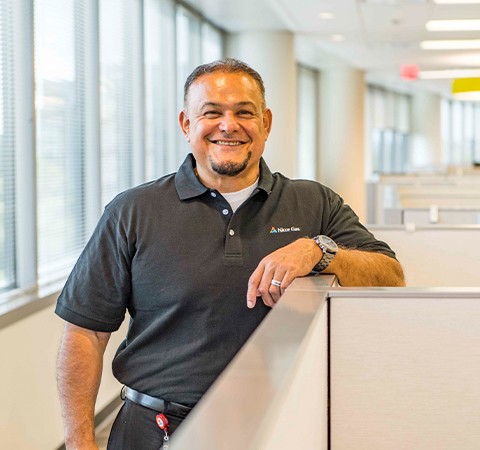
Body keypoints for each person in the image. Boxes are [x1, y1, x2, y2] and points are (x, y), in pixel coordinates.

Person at [56, 58, 405, 449]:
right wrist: (79, 440)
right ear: (187, 125)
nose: (228, 125)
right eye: (211, 113)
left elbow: (390, 275)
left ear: (266, 123)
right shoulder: (133, 211)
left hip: (282, 427)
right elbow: (86, 333)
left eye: (244, 112)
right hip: (155, 430)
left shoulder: (313, 203)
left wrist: (318, 251)